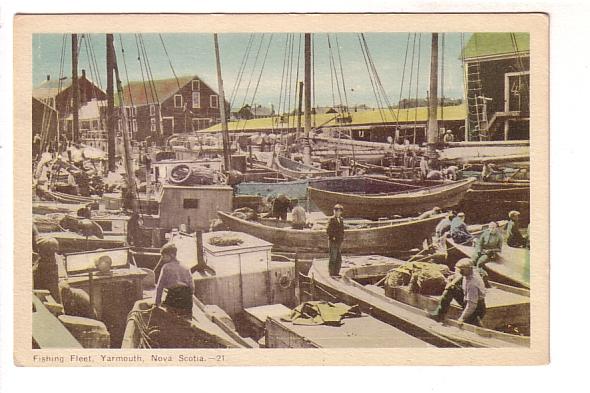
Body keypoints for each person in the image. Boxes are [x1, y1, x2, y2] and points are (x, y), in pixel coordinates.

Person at [429, 258, 487, 326]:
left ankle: (476, 320)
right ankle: (439, 314)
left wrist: (462, 318)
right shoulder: (471, 271)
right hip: (467, 299)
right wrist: (452, 281)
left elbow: (472, 305)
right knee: (451, 288)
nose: (460, 271)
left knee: (466, 323)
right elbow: (459, 275)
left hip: (476, 307)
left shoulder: (472, 284)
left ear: (469, 269)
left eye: (462, 270)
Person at [155, 243, 194, 316]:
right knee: (186, 316)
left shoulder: (166, 267)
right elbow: (192, 286)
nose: (162, 258)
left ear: (171, 255)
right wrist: (189, 297)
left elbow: (160, 286)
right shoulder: (185, 266)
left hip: (174, 296)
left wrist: (157, 303)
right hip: (187, 297)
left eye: (164, 256)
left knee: (171, 317)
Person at [472, 221, 503, 286]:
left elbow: (499, 249)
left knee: (479, 263)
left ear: (496, 228)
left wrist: (491, 250)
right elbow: (479, 243)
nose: (492, 229)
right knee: (472, 261)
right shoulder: (485, 233)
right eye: (490, 227)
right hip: (481, 251)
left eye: (493, 227)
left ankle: (484, 278)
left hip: (490, 254)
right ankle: (473, 276)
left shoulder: (499, 236)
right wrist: (478, 251)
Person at [33, 236, 61, 302]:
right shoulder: (40, 269)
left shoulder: (51, 266)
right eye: (49, 254)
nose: (52, 257)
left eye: (53, 254)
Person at [326, 204, 345, 277]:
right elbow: (328, 230)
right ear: (334, 211)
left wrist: (342, 237)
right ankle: (331, 273)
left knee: (338, 258)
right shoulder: (331, 219)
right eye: (336, 211)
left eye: (339, 211)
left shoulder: (341, 219)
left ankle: (336, 272)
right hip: (333, 241)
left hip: (339, 241)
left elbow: (342, 230)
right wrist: (332, 237)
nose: (337, 212)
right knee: (333, 257)